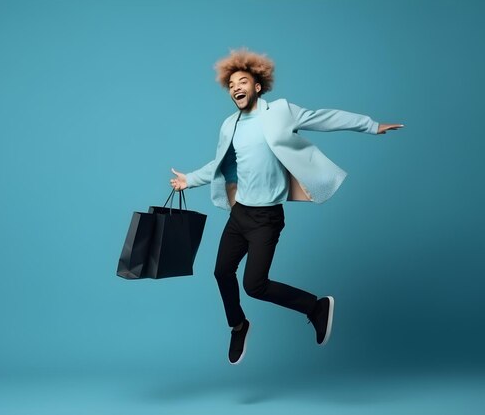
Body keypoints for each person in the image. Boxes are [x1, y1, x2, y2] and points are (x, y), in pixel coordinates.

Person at [170, 49, 403, 365]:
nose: (237, 87)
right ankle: (238, 325)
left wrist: (371, 125)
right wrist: (189, 180)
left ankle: (315, 306)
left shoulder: (279, 112)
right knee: (221, 271)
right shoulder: (230, 125)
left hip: (266, 218)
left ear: (258, 86)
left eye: (243, 81)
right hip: (240, 214)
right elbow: (220, 162)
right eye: (232, 84)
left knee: (255, 285)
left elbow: (324, 117)